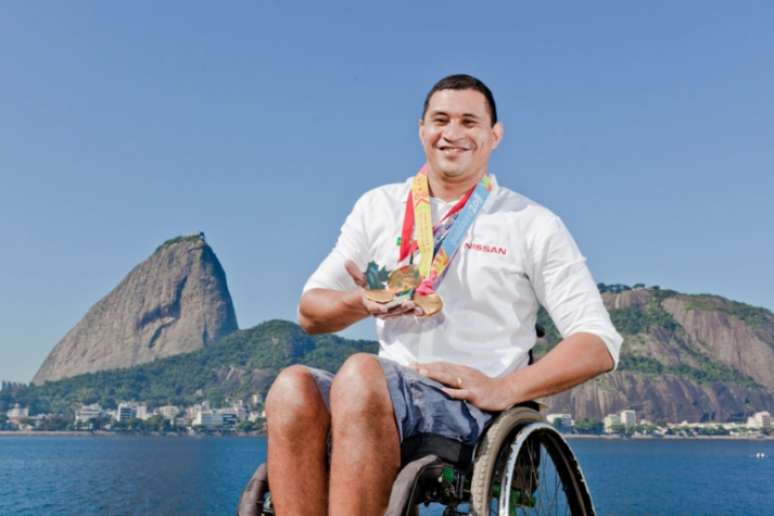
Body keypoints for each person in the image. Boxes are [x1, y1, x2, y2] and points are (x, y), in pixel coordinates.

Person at [265, 74, 623, 515]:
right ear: (421, 130)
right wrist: (361, 302)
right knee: (290, 388)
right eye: (441, 120)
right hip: (377, 394)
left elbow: (599, 343)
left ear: (494, 135)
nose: (453, 133)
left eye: (469, 122)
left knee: (359, 373)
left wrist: (503, 388)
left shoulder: (531, 222)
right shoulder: (378, 206)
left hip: (468, 407)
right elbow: (310, 311)